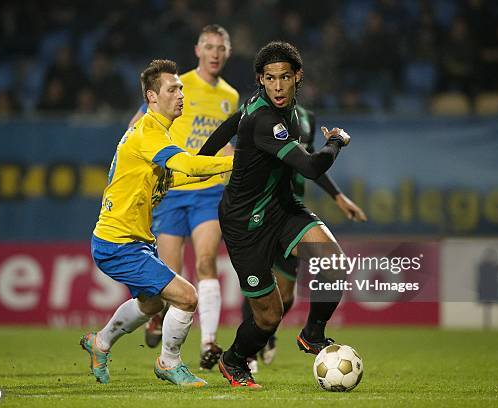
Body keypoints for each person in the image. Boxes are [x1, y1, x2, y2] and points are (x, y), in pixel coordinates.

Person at [200, 41, 352, 388]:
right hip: (245, 224)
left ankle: (313, 334)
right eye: (270, 79)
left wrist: (201, 160)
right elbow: (312, 167)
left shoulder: (276, 106)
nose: (278, 86)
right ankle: (234, 359)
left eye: (285, 77)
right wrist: (337, 141)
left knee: (334, 263)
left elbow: (228, 125)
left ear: (297, 77)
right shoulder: (267, 119)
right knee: (269, 316)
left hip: (282, 208)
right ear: (260, 80)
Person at [80, 59, 233, 387]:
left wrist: (224, 169)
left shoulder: (154, 134)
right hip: (118, 243)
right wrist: (236, 160)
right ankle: (169, 362)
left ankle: (100, 343)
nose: (181, 94)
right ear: (152, 96)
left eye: (181, 88)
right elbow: (188, 166)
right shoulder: (149, 131)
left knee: (151, 303)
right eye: (172, 89)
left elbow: (177, 178)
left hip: (133, 239)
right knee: (187, 297)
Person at [128, 24, 239, 370]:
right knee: (170, 275)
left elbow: (225, 140)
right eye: (209, 46)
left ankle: (208, 343)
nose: (215, 53)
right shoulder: (178, 84)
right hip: (173, 190)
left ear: (228, 52)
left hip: (208, 190)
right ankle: (156, 317)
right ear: (198, 50)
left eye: (221, 47)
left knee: (207, 262)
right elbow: (139, 124)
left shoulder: (231, 97)